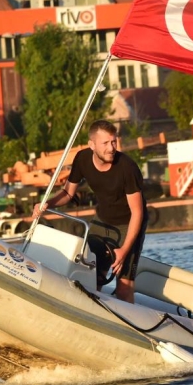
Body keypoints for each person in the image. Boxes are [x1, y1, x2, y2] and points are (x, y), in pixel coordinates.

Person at [33, 120, 147, 304]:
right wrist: (47, 204)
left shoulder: (128, 168)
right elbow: (68, 193)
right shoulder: (82, 159)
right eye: (105, 143)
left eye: (114, 142)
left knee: (124, 286)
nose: (111, 148)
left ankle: (127, 325)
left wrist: (124, 250)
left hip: (129, 222)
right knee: (92, 276)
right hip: (102, 220)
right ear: (91, 145)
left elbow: (137, 212)